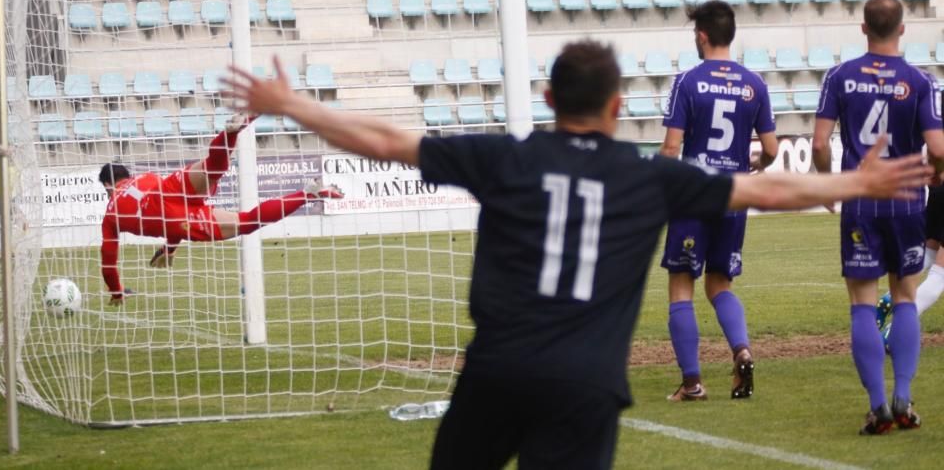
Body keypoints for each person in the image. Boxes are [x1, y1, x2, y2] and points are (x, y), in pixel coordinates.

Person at [223, 40, 930, 468]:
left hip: (499, 371)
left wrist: (296, 107)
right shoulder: (651, 177)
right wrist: (858, 180)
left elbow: (384, 140)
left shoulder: (506, 156)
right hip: (587, 384)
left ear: (550, 96)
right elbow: (764, 190)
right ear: (619, 106)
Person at [812, 0, 944, 435]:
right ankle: (904, 397)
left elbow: (817, 143)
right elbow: (939, 148)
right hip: (906, 199)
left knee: (862, 305)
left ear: (863, 28)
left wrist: (830, 182)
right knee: (905, 297)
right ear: (903, 29)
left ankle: (877, 407)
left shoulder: (839, 76)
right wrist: (934, 173)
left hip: (861, 199)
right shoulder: (921, 81)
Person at [660, 1, 779, 402]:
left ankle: (692, 383)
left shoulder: (687, 82)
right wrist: (755, 164)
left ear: (702, 36)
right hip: (734, 193)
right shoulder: (754, 84)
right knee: (719, 283)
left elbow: (671, 147)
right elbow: (772, 149)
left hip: (694, 193)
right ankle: (742, 351)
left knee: (681, 284)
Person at [99, 114, 343, 306]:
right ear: (126, 175)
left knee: (247, 221)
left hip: (169, 213)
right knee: (211, 169)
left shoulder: (110, 216)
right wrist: (169, 248)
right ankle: (230, 135)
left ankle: (308, 194)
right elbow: (169, 208)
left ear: (108, 185)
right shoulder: (145, 177)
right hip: (167, 188)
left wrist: (116, 292)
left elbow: (108, 263)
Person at [875, 184, 944, 347]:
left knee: (927, 253)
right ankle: (898, 327)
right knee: (940, 273)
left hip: (938, 191)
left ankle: (889, 298)